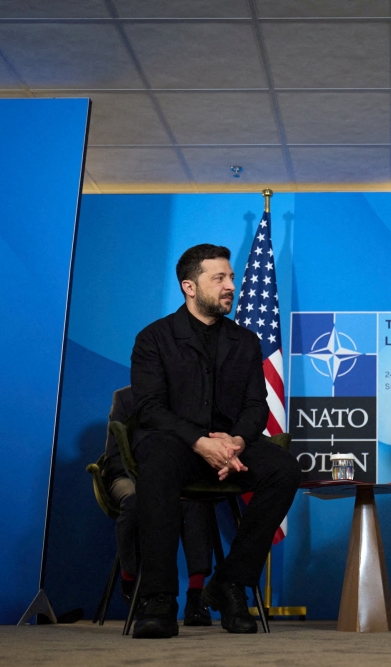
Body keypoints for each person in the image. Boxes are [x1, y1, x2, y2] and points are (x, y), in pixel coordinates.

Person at [130, 244, 300, 639]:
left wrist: (237, 442)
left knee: (284, 469)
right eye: (219, 278)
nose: (231, 286)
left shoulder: (245, 341)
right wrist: (199, 442)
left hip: (230, 446)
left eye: (232, 277)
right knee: (155, 458)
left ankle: (230, 583)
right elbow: (151, 409)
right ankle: (158, 598)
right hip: (176, 445)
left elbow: (257, 406)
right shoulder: (154, 338)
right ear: (189, 286)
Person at [100, 386, 214, 627]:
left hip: (175, 480)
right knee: (136, 502)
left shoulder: (187, 398)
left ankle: (196, 596)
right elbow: (114, 455)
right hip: (128, 477)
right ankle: (130, 579)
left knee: (197, 503)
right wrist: (152, 482)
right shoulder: (125, 397)